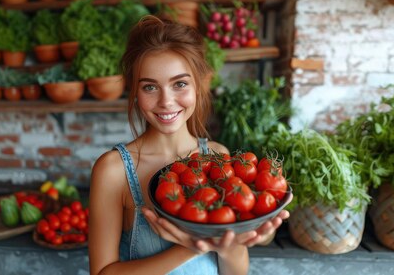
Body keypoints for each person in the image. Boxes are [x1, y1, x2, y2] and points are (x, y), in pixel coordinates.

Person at [88, 15, 290, 275]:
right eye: (150, 87)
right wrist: (193, 246)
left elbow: (234, 271)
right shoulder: (113, 170)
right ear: (135, 94)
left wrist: (230, 245)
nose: (166, 102)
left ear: (198, 86)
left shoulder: (219, 157)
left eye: (180, 84)